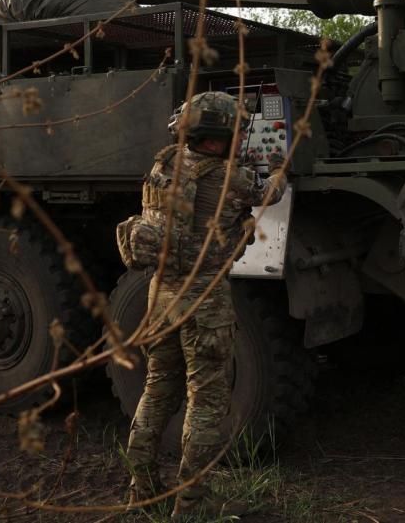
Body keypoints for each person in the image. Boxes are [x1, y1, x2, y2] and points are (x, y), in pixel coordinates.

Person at [121, 91, 287, 517]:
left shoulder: (164, 164)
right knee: (206, 400)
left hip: (160, 295)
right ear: (215, 137)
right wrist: (280, 172)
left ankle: (142, 490)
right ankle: (191, 505)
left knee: (157, 389)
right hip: (203, 301)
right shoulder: (230, 177)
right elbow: (268, 191)